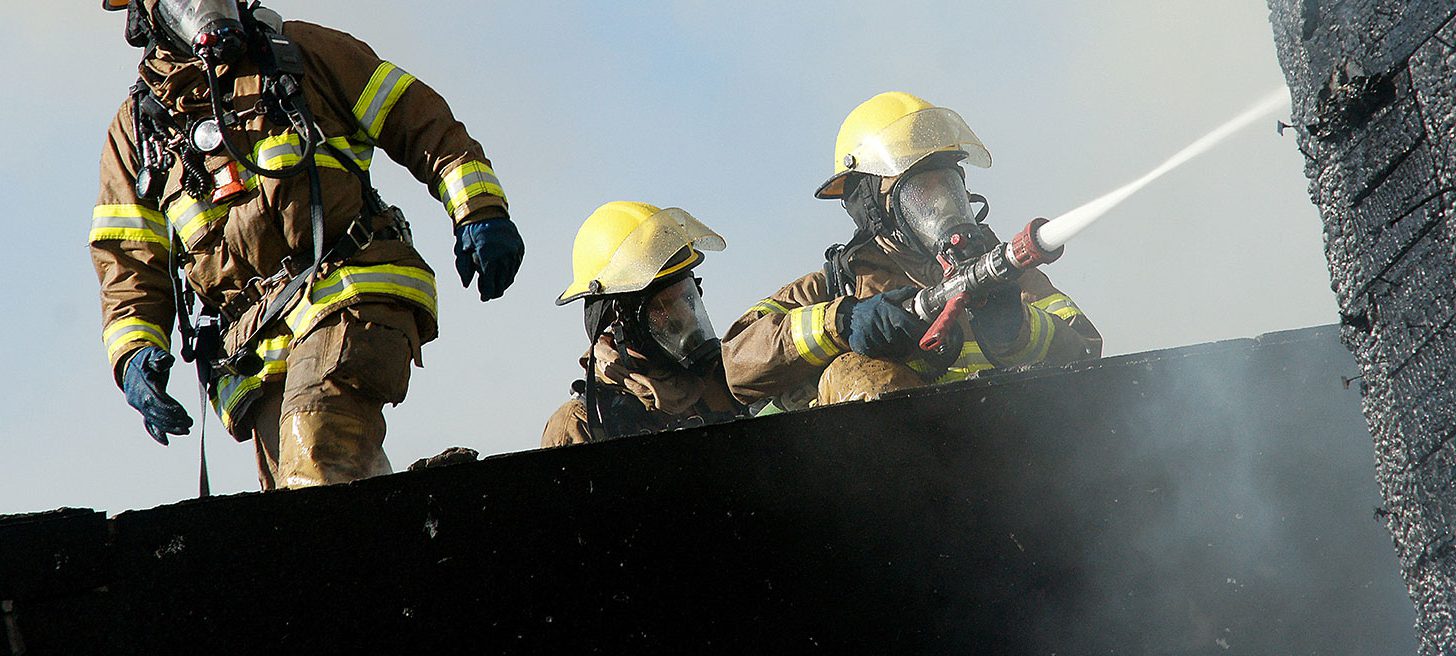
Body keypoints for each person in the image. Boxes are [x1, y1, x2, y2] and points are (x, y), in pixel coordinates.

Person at [91, 0, 524, 489]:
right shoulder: (138, 132)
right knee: (296, 507)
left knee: (317, 448)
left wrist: (478, 209)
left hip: (349, 290)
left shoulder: (301, 55)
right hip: (254, 350)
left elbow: (423, 123)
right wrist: (135, 354)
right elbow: (128, 262)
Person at [721, 92, 1102, 412]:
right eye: (924, 194)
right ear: (875, 207)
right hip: (898, 483)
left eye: (949, 189)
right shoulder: (838, 285)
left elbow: (1090, 359)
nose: (942, 207)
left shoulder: (1015, 279)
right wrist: (841, 323)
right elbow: (737, 369)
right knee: (852, 372)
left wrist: (1019, 328)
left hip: (1007, 459)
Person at [542, 201, 744, 446]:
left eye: (686, 298)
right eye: (664, 305)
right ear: (620, 320)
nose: (682, 314)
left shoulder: (721, 382)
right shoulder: (582, 424)